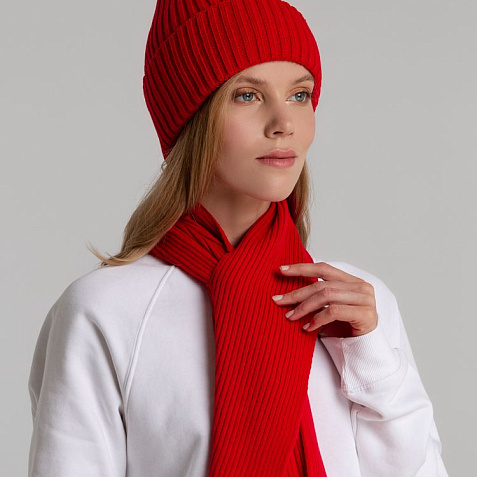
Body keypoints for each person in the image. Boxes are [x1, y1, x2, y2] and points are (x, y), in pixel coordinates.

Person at [27, 0, 449, 476]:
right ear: (192, 117)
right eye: (247, 95)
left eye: (300, 94)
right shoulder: (105, 311)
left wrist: (372, 360)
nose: (284, 123)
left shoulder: (354, 303)